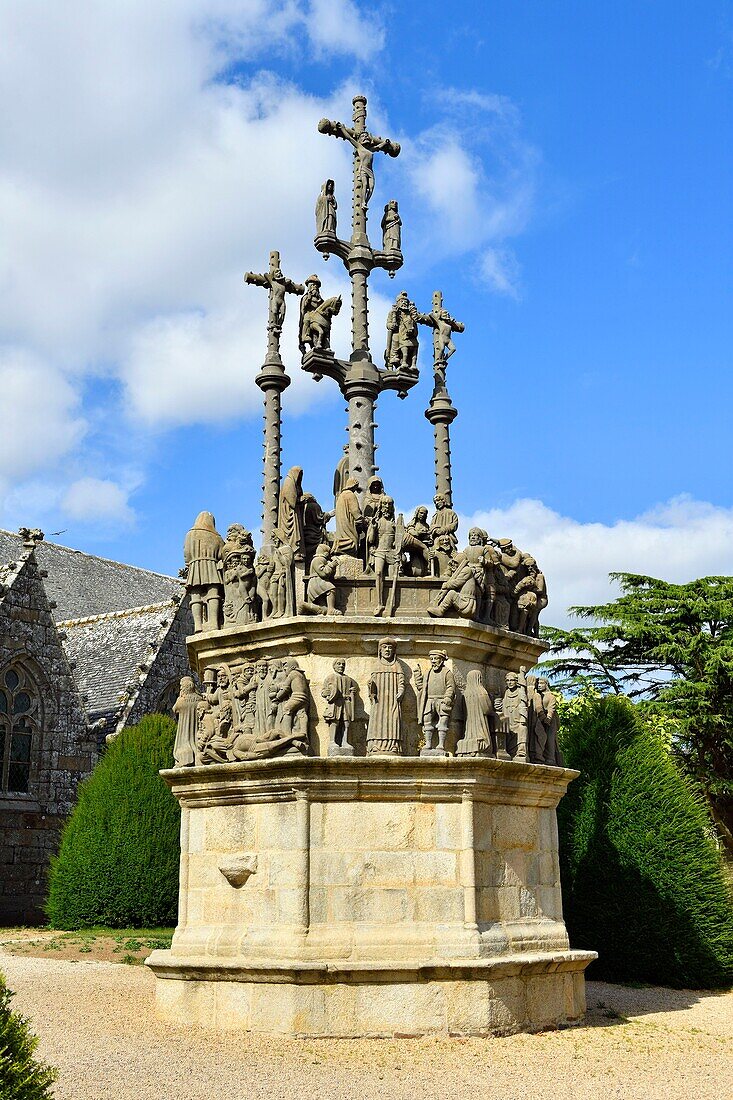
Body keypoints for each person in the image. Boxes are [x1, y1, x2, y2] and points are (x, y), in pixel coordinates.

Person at [183, 511, 224, 632]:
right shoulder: (217, 536)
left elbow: (186, 554)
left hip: (195, 566)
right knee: (213, 593)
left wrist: (191, 562)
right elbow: (222, 554)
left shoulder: (190, 534)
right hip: (211, 566)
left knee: (195, 596)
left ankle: (198, 625)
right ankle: (213, 622)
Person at [366, 638, 405, 755]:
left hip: (393, 701)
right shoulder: (376, 666)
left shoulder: (397, 666)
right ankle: (375, 745)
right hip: (379, 702)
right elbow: (371, 684)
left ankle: (394, 745)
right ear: (380, 650)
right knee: (377, 720)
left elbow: (401, 682)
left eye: (390, 648)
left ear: (394, 651)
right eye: (384, 647)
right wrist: (371, 687)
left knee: (394, 719)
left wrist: (401, 690)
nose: (387, 650)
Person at [456, 670, 496, 757]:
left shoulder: (465, 693)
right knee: (484, 739)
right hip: (480, 724)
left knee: (468, 734)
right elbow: (487, 709)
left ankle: (467, 748)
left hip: (468, 725)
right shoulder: (481, 691)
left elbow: (463, 711)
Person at [172, 676, 202, 767]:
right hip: (197, 731)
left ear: (187, 687)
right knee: (196, 743)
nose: (180, 688)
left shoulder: (181, 700)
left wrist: (179, 698)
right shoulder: (200, 699)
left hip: (184, 730)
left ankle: (184, 761)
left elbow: (174, 710)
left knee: (184, 745)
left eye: (182, 686)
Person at [333, 476, 363, 555]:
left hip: (341, 527)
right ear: (353, 485)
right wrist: (362, 520)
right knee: (352, 541)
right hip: (348, 526)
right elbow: (355, 511)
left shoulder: (341, 496)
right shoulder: (350, 495)